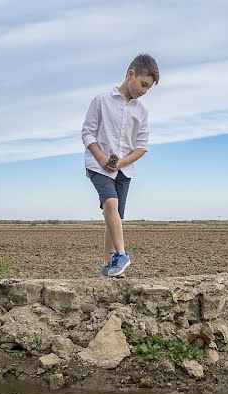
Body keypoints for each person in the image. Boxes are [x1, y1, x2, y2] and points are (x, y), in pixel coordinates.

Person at [81, 53, 158, 277]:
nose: (144, 91)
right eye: (143, 84)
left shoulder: (142, 112)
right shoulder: (101, 100)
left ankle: (109, 265)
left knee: (113, 216)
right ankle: (121, 255)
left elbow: (142, 146)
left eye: (149, 88)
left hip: (124, 169)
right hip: (97, 165)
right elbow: (87, 133)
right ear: (130, 74)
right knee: (111, 205)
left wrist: (122, 162)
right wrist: (102, 159)